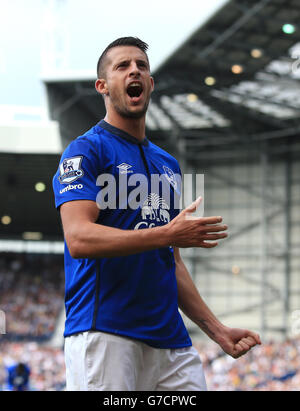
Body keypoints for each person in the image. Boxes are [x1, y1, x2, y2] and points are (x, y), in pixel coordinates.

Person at [52, 37, 261, 391]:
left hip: (170, 343)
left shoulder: (168, 164)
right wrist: (167, 235)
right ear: (102, 86)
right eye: (122, 66)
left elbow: (172, 262)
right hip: (105, 332)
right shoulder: (86, 150)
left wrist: (217, 330)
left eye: (142, 66)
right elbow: (79, 238)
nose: (134, 69)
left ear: (149, 84)